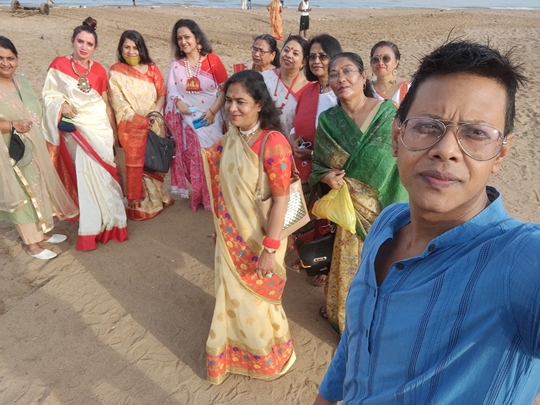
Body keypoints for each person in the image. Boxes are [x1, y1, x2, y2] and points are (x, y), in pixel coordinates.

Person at [313, 41, 540, 405]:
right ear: (396, 137)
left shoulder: (519, 261)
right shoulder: (387, 224)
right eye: (427, 126)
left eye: (476, 133)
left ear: (501, 154)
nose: (446, 149)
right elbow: (357, 340)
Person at [203, 70, 296, 385]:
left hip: (262, 240)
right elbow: (222, 185)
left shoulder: (274, 143)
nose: (232, 108)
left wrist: (270, 249)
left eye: (240, 101)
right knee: (230, 298)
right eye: (228, 100)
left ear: (259, 104)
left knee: (256, 303)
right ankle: (231, 354)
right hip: (230, 236)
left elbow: (281, 201)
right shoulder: (231, 137)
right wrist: (221, 225)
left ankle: (265, 357)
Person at [309, 52, 408, 333]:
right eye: (334, 74)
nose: (341, 78)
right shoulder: (328, 121)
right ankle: (346, 318)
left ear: (363, 77)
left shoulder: (388, 114)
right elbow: (318, 164)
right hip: (348, 214)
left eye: (348, 71)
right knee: (350, 268)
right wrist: (325, 176)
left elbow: (403, 159)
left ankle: (379, 321)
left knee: (383, 266)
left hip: (384, 209)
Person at [42, 17, 128, 251]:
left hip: (98, 128)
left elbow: (104, 103)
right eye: (80, 41)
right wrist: (60, 104)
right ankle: (91, 226)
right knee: (84, 175)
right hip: (76, 130)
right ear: (72, 40)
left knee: (105, 176)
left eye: (89, 44)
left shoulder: (99, 70)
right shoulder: (59, 65)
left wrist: (112, 132)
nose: (84, 47)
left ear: (95, 47)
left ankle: (113, 222)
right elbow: (48, 95)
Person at [0, 36, 78, 260]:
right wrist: (12, 125)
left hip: (32, 146)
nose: (5, 63)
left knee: (38, 188)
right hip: (10, 150)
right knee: (22, 193)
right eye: (0, 58)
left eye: (10, 58)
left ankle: (42, 232)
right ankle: (32, 244)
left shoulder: (22, 81)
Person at [289, 34, 342, 286]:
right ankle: (308, 255)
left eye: (323, 56)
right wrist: (293, 141)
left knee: (325, 218)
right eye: (312, 56)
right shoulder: (308, 91)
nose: (316, 61)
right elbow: (295, 124)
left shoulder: (341, 94)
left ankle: (324, 263)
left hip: (328, 169)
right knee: (301, 215)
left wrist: (311, 155)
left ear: (334, 58)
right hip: (301, 166)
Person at [108, 30, 174, 221]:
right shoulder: (116, 72)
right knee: (139, 164)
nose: (131, 52)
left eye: (135, 47)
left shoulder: (152, 68)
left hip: (154, 123)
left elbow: (162, 94)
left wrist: (154, 114)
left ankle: (159, 197)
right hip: (132, 126)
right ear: (121, 49)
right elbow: (118, 103)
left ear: (141, 48)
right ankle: (143, 204)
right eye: (127, 47)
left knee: (154, 161)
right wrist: (138, 121)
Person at [164, 19, 228, 211]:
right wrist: (179, 103)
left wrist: (212, 112)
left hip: (212, 118)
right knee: (193, 160)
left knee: (213, 159)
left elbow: (225, 90)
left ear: (197, 38)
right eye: (179, 38)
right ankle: (201, 196)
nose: (183, 42)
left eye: (187, 37)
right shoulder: (176, 66)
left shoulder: (212, 60)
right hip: (188, 121)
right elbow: (171, 91)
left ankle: (216, 196)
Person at [262, 35, 310, 137]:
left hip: (290, 143)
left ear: (304, 62)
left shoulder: (309, 90)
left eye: (295, 53)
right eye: (286, 50)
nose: (288, 55)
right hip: (262, 141)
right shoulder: (265, 77)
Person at [369, 40, 409, 106]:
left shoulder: (409, 88)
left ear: (396, 62)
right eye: (375, 59)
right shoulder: (366, 91)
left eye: (386, 58)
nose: (380, 63)